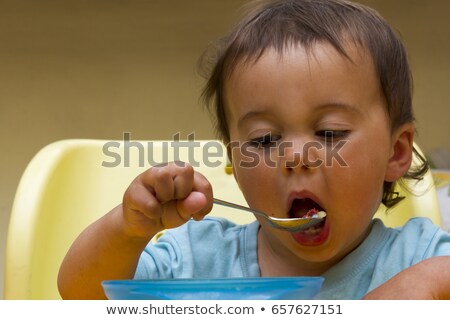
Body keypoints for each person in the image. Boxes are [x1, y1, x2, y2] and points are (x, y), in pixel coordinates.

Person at [58, 0, 450, 299]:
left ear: (396, 153)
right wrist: (128, 230)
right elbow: (84, 295)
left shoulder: (418, 256)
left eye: (330, 133)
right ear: (235, 158)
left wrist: (432, 281)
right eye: (264, 140)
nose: (295, 156)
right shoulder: (200, 258)